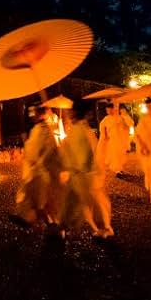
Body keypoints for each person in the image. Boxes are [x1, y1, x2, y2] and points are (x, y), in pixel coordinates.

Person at [60, 100, 114, 238]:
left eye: (71, 111)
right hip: (76, 174)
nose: (69, 114)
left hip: (85, 175)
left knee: (92, 203)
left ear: (77, 113)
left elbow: (88, 153)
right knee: (70, 202)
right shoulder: (78, 129)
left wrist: (81, 169)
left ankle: (105, 228)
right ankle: (62, 226)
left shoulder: (83, 130)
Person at [12, 105, 64, 230]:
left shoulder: (46, 131)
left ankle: (54, 228)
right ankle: (47, 225)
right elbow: (33, 148)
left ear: (40, 114)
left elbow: (49, 150)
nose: (32, 116)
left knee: (43, 200)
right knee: (37, 199)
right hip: (36, 169)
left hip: (45, 171)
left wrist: (39, 164)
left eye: (33, 113)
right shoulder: (37, 129)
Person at [97, 103, 130, 178]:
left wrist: (123, 124)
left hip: (120, 139)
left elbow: (126, 127)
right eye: (107, 110)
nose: (108, 111)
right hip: (112, 139)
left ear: (112, 109)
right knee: (114, 155)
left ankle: (120, 168)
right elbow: (101, 126)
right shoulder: (106, 119)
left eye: (109, 110)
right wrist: (104, 135)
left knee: (120, 154)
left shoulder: (119, 117)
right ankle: (117, 170)